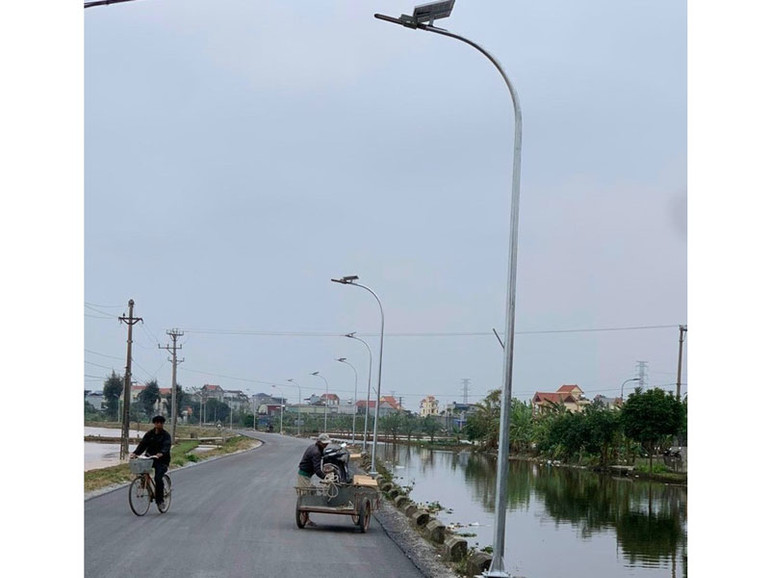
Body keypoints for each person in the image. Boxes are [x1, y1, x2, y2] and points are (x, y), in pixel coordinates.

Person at [130, 415, 172, 509]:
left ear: (163, 424)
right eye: (157, 422)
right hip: (150, 458)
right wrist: (135, 453)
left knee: (158, 478)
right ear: (154, 423)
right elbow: (143, 445)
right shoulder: (149, 434)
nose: (159, 424)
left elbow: (167, 446)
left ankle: (160, 501)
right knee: (142, 470)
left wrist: (161, 453)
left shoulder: (166, 435)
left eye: (161, 423)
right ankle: (144, 485)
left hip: (162, 460)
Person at [297, 433, 331, 527]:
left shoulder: (315, 448)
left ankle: (307, 518)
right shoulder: (316, 452)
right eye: (324, 443)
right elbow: (317, 470)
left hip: (307, 475)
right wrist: (326, 477)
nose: (326, 445)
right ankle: (306, 519)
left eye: (326, 443)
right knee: (305, 496)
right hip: (304, 475)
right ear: (319, 442)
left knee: (312, 492)